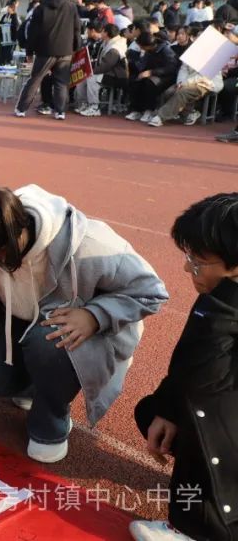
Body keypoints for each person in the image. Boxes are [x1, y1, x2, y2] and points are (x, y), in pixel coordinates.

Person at [0, 184, 168, 464]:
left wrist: (95, 316)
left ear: (4, 252)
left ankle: (51, 418)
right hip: (21, 326)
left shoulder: (90, 243)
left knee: (49, 341)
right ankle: (31, 387)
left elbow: (152, 292)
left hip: (70, 335)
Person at [129, 194, 238, 541]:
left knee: (201, 414)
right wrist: (166, 410)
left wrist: (219, 312)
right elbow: (187, 367)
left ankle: (196, 530)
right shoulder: (222, 297)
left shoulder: (222, 306)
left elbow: (207, 384)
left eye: (197, 261)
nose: (187, 269)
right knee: (153, 412)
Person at [15, 0, 83, 120]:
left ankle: (21, 109)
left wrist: (29, 51)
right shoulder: (71, 6)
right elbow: (77, 28)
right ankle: (60, 111)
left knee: (36, 79)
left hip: (45, 50)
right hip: (66, 49)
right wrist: (77, 47)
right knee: (61, 81)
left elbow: (33, 32)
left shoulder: (40, 8)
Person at [125, 31, 180, 123]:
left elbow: (171, 68)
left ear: (147, 45)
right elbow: (141, 65)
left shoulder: (166, 50)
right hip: (151, 74)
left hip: (166, 77)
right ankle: (136, 110)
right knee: (136, 81)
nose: (140, 48)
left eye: (142, 46)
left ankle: (149, 110)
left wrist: (151, 72)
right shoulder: (148, 51)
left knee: (150, 83)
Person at [76, 23, 127, 117]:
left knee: (91, 77)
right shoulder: (106, 42)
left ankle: (94, 107)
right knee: (82, 77)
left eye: (103, 31)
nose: (101, 32)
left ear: (106, 33)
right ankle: (84, 103)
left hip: (116, 76)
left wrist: (90, 71)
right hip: (108, 73)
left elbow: (106, 66)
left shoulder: (115, 47)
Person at [0, 0, 21, 67]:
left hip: (11, 38)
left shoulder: (14, 16)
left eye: (10, 7)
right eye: (8, 7)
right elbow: (1, 23)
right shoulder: (5, 15)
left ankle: (8, 65)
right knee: (1, 53)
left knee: (9, 54)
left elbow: (16, 25)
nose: (8, 9)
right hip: (3, 38)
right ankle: (0, 65)